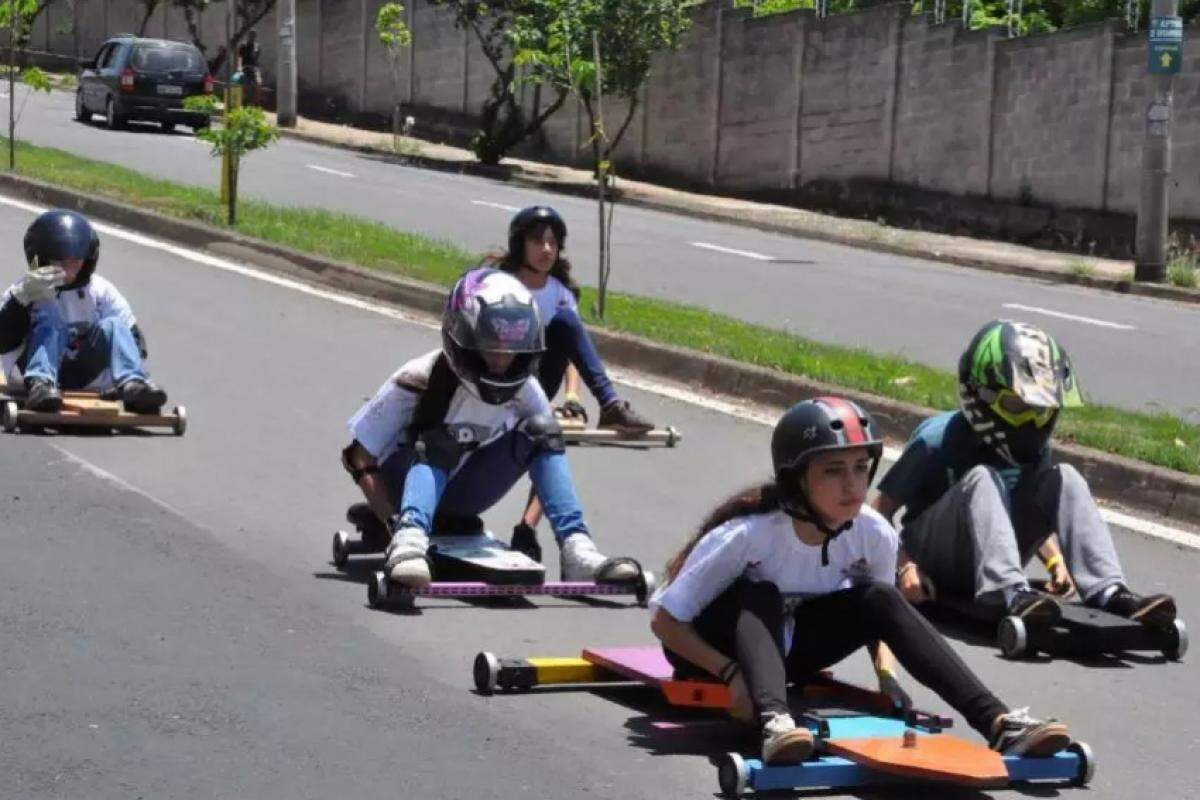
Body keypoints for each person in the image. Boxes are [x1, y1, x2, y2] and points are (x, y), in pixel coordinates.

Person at [650, 397, 1073, 766]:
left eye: (860, 468)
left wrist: (885, 677)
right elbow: (666, 624)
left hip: (790, 654)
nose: (853, 485)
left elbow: (881, 616)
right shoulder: (749, 535)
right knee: (761, 592)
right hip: (714, 650)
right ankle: (775, 724)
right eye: (834, 471)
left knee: (880, 596)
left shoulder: (872, 532)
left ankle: (999, 723)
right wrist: (729, 674)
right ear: (796, 478)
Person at [341, 267, 640, 589]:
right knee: (442, 440)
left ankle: (578, 549)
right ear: (464, 338)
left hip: (466, 493)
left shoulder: (525, 389)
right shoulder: (416, 379)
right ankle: (410, 540)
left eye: (512, 349)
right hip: (403, 487)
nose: (502, 360)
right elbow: (358, 457)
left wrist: (527, 527)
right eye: (491, 346)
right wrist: (390, 521)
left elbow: (547, 450)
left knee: (543, 430)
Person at [873, 319, 1175, 627]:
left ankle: (1108, 589)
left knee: (1065, 476)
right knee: (983, 478)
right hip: (935, 559)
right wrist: (904, 567)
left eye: (1040, 408)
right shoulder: (934, 441)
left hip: (990, 558)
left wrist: (1054, 560)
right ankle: (1009, 591)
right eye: (1017, 406)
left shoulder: (1033, 450)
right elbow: (877, 514)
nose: (1031, 421)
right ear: (980, 393)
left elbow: (1023, 503)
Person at [492, 206, 655, 561]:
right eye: (538, 241)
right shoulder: (500, 284)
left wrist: (571, 397)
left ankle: (526, 528)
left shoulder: (560, 293)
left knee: (566, 326)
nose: (546, 250)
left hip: (538, 382)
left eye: (552, 243)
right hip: (499, 377)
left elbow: (571, 353)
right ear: (521, 244)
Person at [0, 209, 168, 414]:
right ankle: (41, 385)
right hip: (38, 367)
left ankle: (133, 385)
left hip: (86, 368)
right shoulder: (24, 290)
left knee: (114, 324)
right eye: (61, 262)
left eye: (75, 263)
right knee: (49, 311)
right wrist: (19, 301)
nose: (69, 271)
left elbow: (133, 338)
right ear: (42, 258)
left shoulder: (101, 290)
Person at [237, 31, 262, 106]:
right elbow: (239, 57)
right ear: (248, 36)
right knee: (245, 85)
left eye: (254, 36)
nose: (252, 37)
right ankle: (244, 102)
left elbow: (257, 58)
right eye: (251, 35)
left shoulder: (257, 46)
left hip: (254, 68)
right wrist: (239, 67)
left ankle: (257, 103)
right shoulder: (243, 45)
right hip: (245, 67)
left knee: (258, 83)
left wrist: (256, 68)